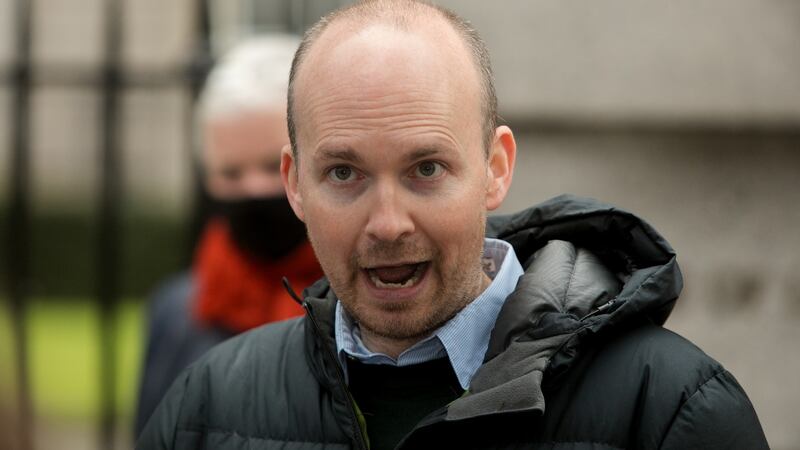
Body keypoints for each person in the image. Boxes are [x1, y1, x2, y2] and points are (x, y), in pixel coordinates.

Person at [137, 1, 769, 448]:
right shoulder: (208, 403)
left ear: (496, 168)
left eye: (427, 169)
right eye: (344, 173)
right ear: (295, 183)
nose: (387, 224)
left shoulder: (670, 409)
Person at [133, 34, 323, 436]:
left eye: (272, 166)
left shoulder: (368, 305)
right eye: (231, 173)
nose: (253, 188)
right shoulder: (177, 313)